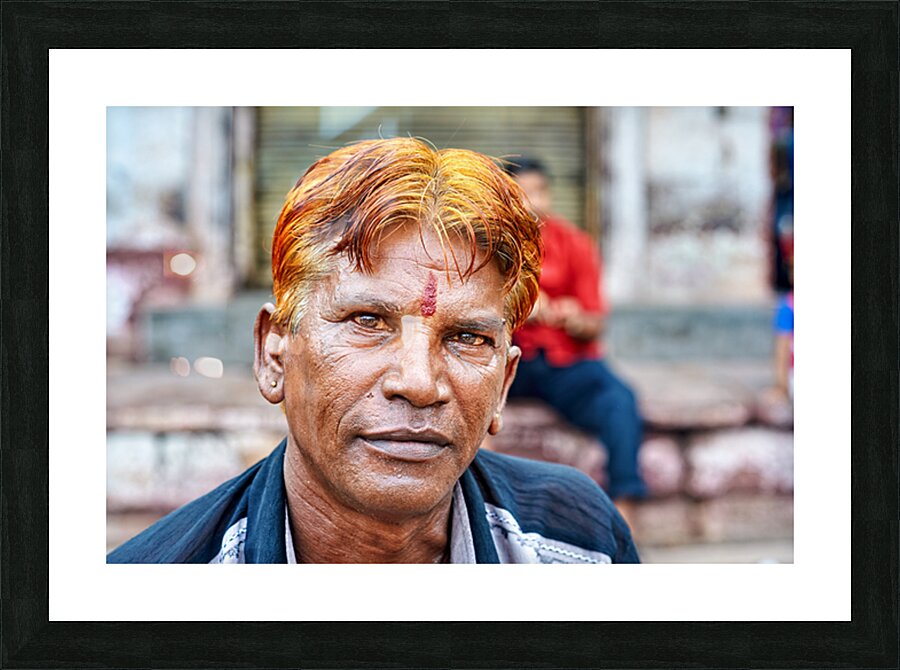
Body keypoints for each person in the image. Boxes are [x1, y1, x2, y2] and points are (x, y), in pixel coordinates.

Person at [107, 138, 639, 564]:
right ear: (274, 355)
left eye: (467, 338)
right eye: (367, 321)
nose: (418, 382)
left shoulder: (581, 544)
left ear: (502, 385)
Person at [504, 158, 647, 515]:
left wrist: (573, 317)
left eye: (540, 192)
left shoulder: (576, 244)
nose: (533, 202)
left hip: (563, 364)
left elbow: (595, 323)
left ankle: (624, 513)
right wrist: (520, 304)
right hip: (507, 361)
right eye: (523, 194)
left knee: (620, 399)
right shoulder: (492, 245)